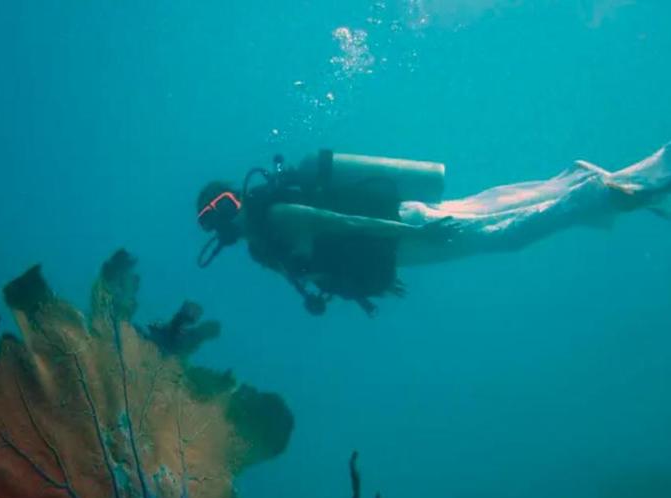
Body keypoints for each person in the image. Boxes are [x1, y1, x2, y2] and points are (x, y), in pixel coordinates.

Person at [195, 142, 671, 316]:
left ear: (233, 199)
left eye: (218, 209)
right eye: (210, 219)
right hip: (400, 238)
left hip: (404, 230)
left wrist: (414, 238)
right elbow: (322, 262)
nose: (219, 221)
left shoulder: (274, 217)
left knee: (505, 235)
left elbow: (339, 222)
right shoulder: (265, 247)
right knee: (492, 206)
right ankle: (588, 180)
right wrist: (364, 288)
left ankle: (598, 195)